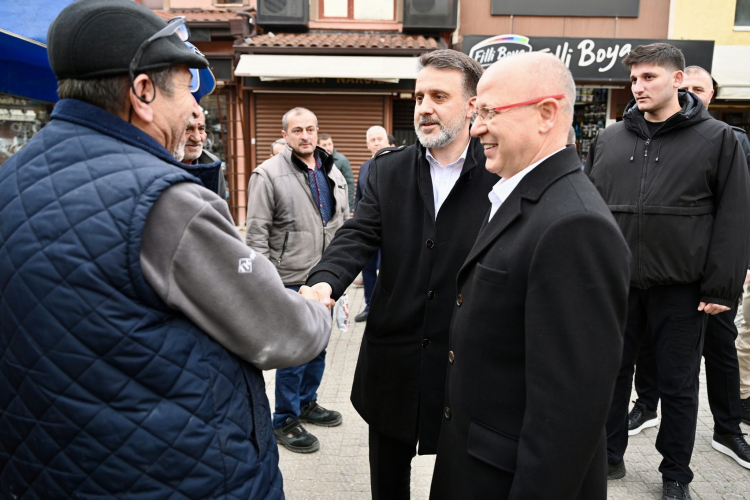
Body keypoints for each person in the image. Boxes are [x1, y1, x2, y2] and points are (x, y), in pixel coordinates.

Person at [0, 1, 332, 498]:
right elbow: (279, 333)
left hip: (47, 468)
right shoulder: (165, 201)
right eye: (186, 90)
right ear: (143, 92)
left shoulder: (12, 178)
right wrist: (315, 309)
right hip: (172, 473)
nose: (196, 111)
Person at [428, 51, 631, 500]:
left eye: (489, 112)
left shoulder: (575, 225)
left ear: (546, 114)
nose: (476, 128)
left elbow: (568, 414)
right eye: (476, 113)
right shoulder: (520, 195)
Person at [307, 49, 497, 499]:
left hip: (464, 361)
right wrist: (323, 281)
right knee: (388, 482)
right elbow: (358, 235)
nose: (424, 107)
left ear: (472, 105)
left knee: (460, 481)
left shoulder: (499, 174)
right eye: (419, 97)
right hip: (394, 359)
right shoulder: (388, 170)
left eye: (439, 96)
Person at [586, 43, 750, 500]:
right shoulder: (609, 139)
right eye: (633, 79)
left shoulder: (718, 138)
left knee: (679, 385)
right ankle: (609, 456)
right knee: (612, 375)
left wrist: (721, 287)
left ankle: (676, 473)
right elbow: (589, 210)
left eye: (649, 77)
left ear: (677, 80)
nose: (637, 87)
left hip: (683, 289)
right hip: (619, 286)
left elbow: (735, 215)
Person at [628, 65, 750, 471]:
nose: (693, 93)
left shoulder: (730, 139)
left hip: (710, 274)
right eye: (690, 86)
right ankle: (646, 405)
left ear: (711, 94)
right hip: (658, 274)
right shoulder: (644, 135)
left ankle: (727, 428)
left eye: (701, 87)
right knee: (651, 347)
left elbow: (738, 210)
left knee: (720, 349)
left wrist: (732, 271)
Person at [245, 107, 349, 454]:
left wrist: (341, 273)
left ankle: (306, 402)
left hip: (325, 279)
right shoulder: (268, 174)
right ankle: (284, 419)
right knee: (293, 353)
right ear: (285, 135)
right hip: (288, 278)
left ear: (318, 132)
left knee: (318, 346)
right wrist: (264, 286)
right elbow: (256, 234)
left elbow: (342, 224)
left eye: (310, 129)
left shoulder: (331, 170)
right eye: (297, 130)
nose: (305, 136)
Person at [352, 125, 390, 322]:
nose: (376, 143)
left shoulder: (398, 164)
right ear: (367, 144)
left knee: (390, 267)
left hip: (392, 229)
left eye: (379, 139)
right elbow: (359, 199)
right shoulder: (364, 167)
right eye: (372, 140)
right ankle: (370, 306)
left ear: (387, 141)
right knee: (367, 268)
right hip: (369, 229)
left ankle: (390, 307)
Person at [183, 108, 227, 200]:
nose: (197, 138)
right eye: (187, 129)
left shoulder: (212, 163)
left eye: (201, 129)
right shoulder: (159, 164)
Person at [319, 133, 354, 210]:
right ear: (318, 146)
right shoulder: (315, 161)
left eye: (329, 144)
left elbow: (349, 183)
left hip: (338, 204)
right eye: (324, 145)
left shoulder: (342, 160)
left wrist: (349, 205)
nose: (328, 148)